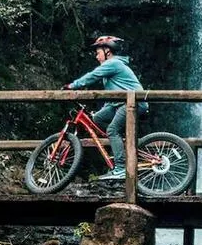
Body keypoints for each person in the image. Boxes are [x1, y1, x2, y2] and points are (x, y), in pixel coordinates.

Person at [63, 35, 148, 180]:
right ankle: (120, 143)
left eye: (98, 53)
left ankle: (121, 168)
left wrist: (72, 86)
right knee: (98, 118)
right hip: (120, 104)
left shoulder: (113, 63)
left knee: (112, 130)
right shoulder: (112, 67)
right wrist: (102, 111)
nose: (96, 57)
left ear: (107, 51)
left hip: (133, 103)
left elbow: (91, 76)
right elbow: (113, 96)